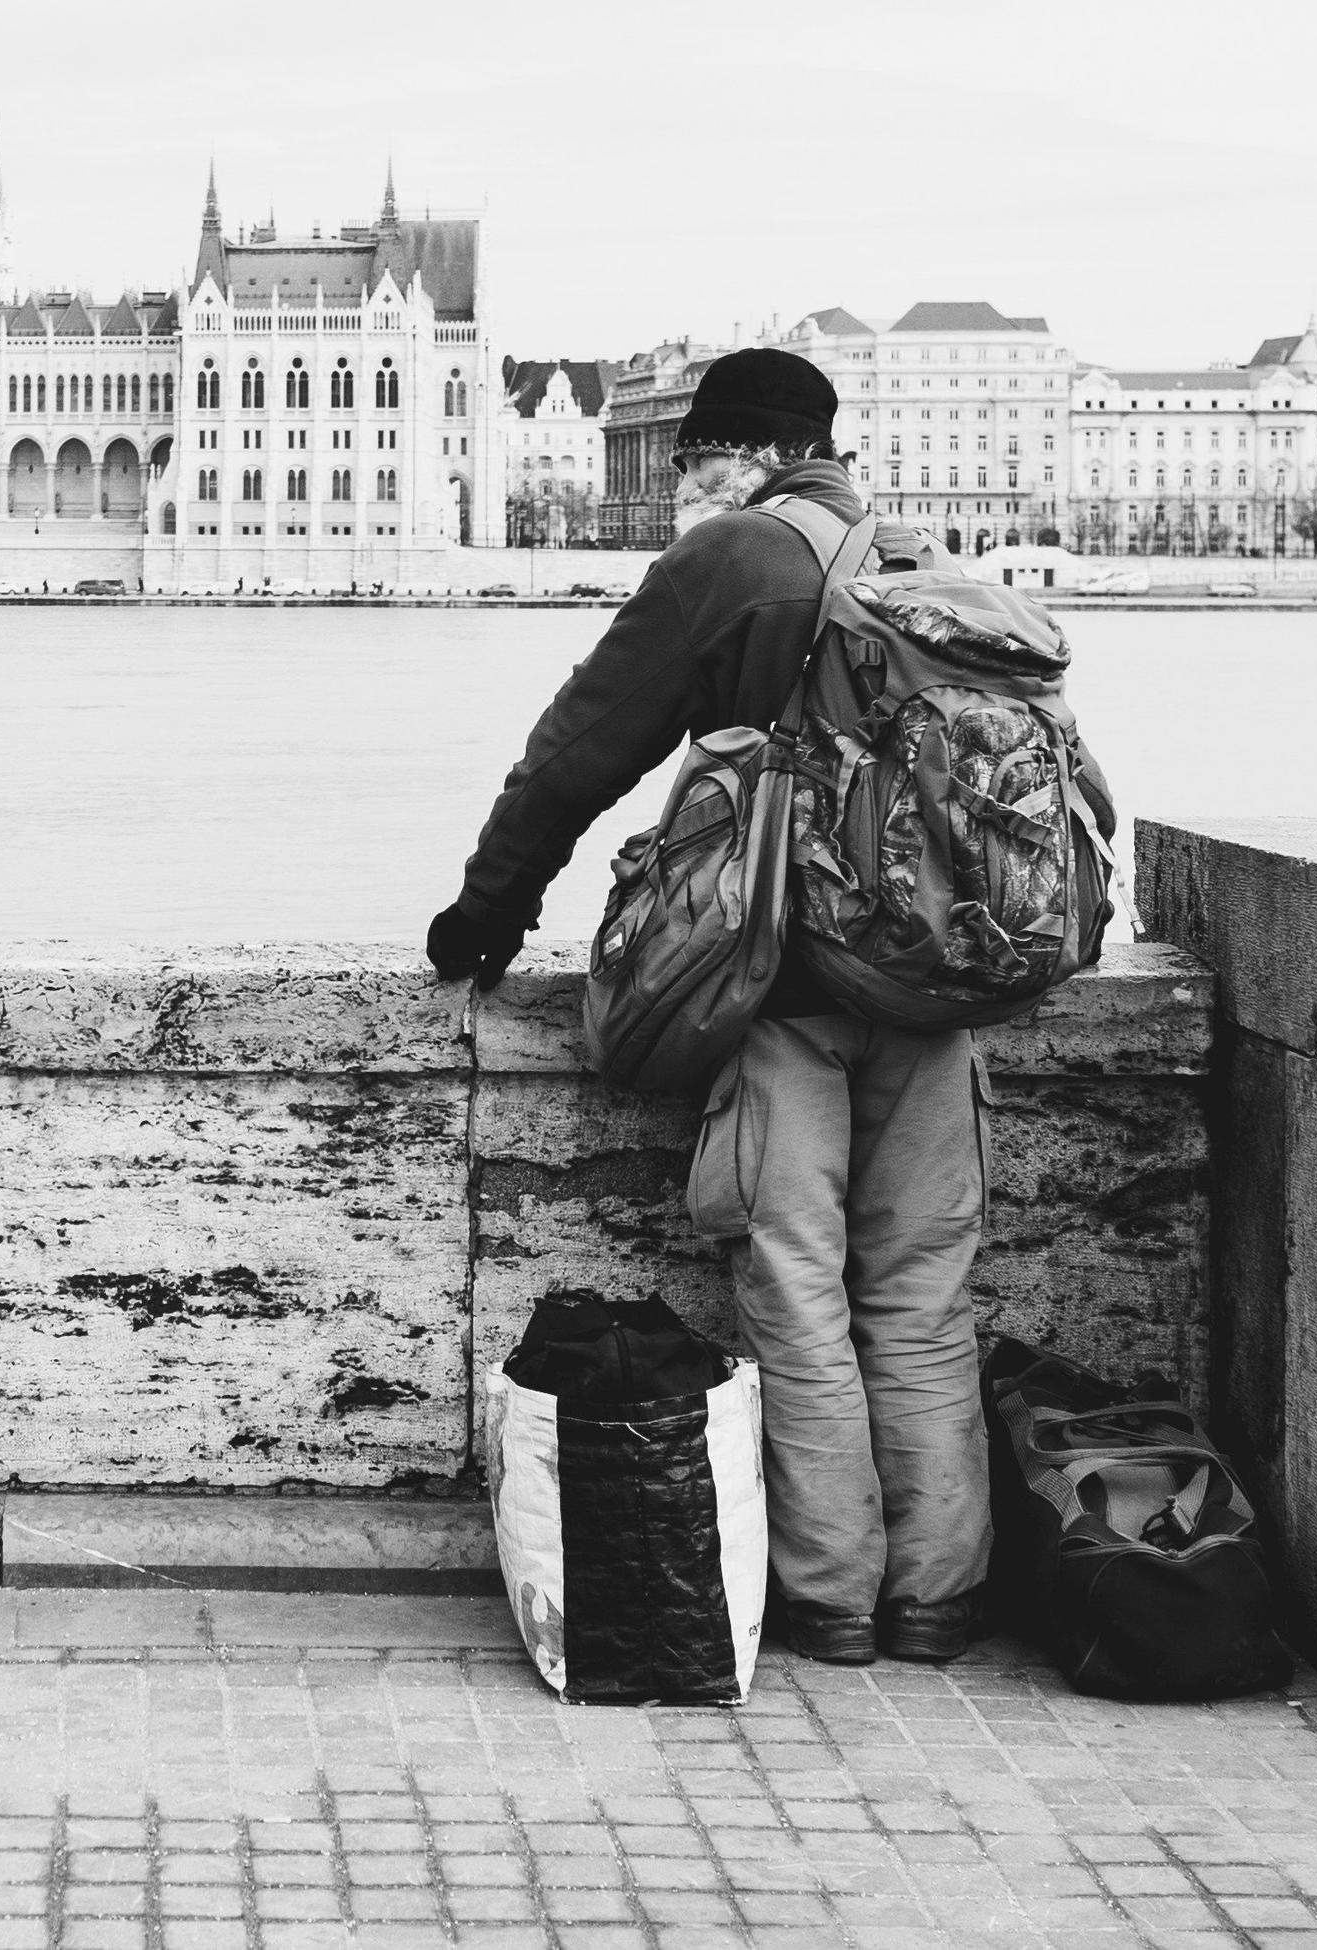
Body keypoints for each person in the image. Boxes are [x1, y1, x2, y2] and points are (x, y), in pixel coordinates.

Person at [424, 346, 991, 1668]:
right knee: (920, 1298)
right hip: (943, 996)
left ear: (741, 452)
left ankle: (837, 1599)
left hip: (791, 991)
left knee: (799, 1292)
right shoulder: (927, 564)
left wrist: (488, 911)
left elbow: (576, 753)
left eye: (692, 460)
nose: (686, 485)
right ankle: (940, 1598)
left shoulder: (730, 560)